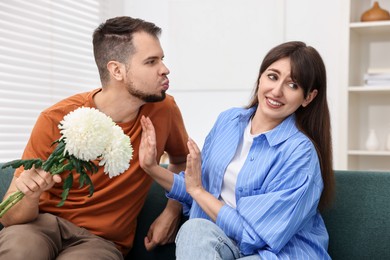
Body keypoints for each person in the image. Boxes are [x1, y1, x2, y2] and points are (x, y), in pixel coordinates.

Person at [0, 16, 189, 259]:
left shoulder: (164, 110)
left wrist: (172, 211)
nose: (164, 69)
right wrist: (31, 194)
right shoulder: (55, 118)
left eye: (161, 59)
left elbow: (184, 161)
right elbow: (9, 217)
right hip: (40, 226)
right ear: (116, 70)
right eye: (151, 61)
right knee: (20, 250)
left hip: (101, 241)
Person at [139, 41, 335, 259]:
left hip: (278, 254)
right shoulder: (228, 121)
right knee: (194, 230)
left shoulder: (300, 153)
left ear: (308, 97)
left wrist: (198, 191)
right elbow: (199, 189)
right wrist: (152, 167)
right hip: (225, 244)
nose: (277, 91)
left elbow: (256, 236)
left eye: (292, 85)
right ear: (260, 77)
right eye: (272, 76)